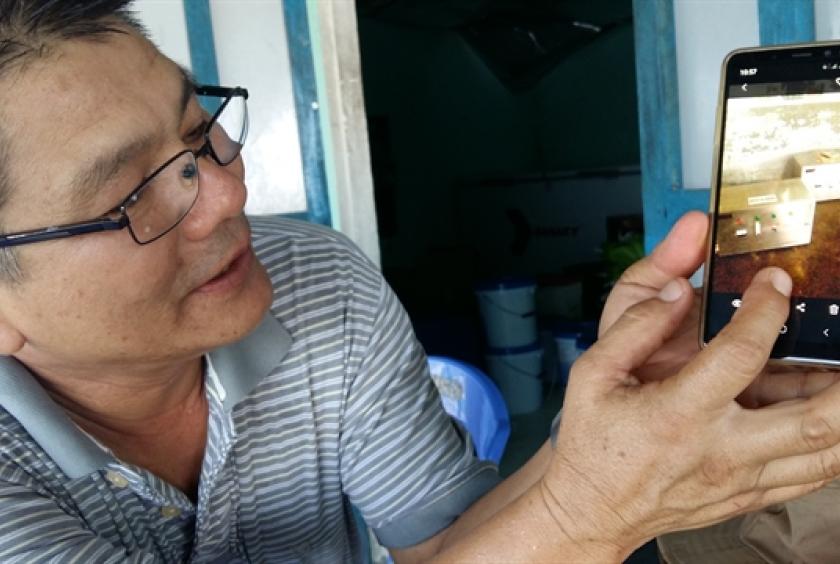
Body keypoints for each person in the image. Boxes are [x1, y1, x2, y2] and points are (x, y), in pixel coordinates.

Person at [2, 1, 840, 562]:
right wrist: (592, 509)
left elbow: (450, 544)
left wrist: (599, 419)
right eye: (133, 194)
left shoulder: (310, 279)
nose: (226, 196)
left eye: (199, 130)